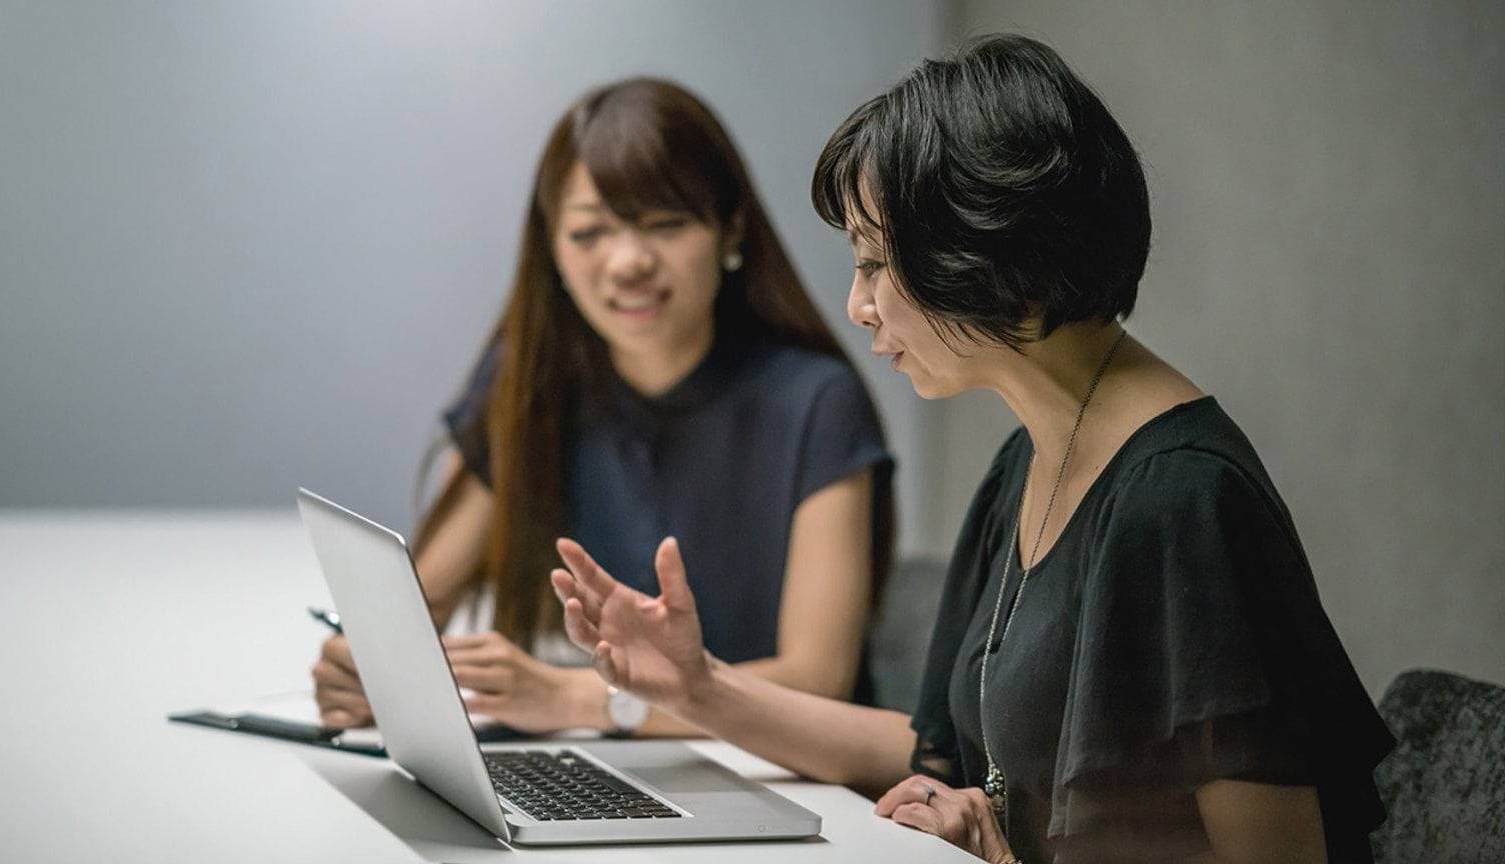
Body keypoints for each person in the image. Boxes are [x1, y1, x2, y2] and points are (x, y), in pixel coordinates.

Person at [550, 36, 1394, 863]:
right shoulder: (1031, 456)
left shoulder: (1183, 502)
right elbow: (933, 752)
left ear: (996, 257)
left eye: (879, 265)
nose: (859, 304)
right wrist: (697, 688)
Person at [312, 77, 895, 738]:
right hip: (617, 766)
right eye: (589, 233)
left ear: (731, 228)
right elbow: (422, 605)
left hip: (793, 783)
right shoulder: (529, 385)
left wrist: (583, 701)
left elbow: (820, 678)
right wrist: (373, 669)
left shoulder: (817, 403)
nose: (627, 262)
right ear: (552, 250)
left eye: (666, 225)